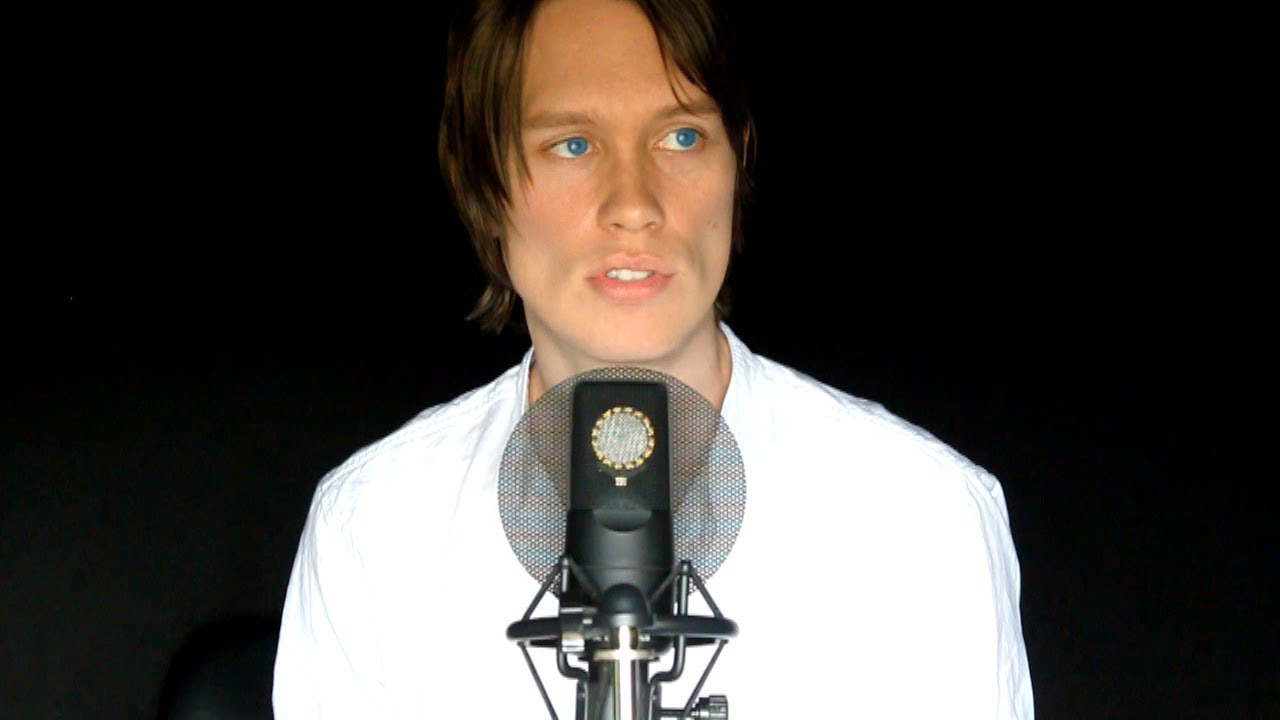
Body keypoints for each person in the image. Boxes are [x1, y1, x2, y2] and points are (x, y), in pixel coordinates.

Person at [272, 0, 1034, 717]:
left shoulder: (922, 516)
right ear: (483, 181)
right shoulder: (373, 526)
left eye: (681, 138)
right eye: (572, 145)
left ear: (738, 161)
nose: (634, 205)